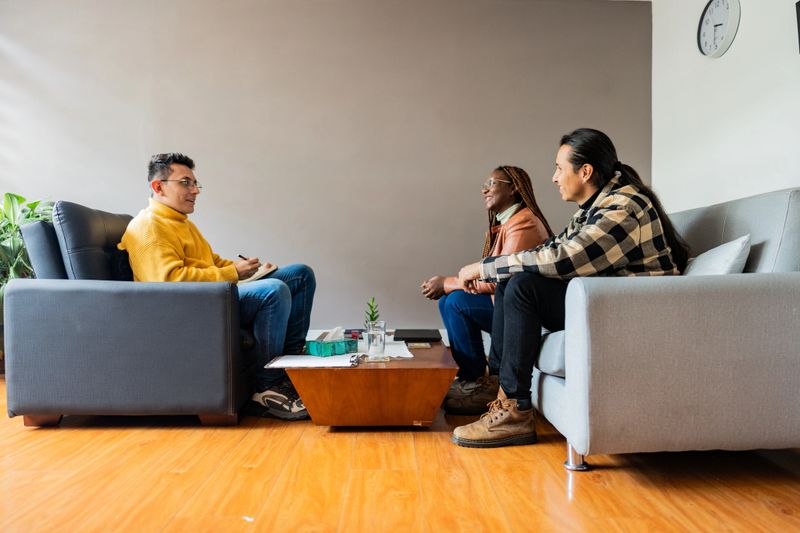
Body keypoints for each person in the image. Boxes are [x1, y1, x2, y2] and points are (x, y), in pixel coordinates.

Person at [452, 128, 689, 448]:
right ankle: (503, 393)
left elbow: (566, 258)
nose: (554, 177)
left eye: (559, 168)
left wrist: (484, 267)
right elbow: (550, 250)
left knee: (521, 285)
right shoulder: (594, 208)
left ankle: (515, 412)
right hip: (605, 300)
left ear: (585, 171)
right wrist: (496, 271)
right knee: (514, 280)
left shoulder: (624, 206)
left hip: (631, 310)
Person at [119, 153, 316, 421]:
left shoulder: (181, 223)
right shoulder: (149, 227)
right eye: (185, 182)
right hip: (190, 308)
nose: (195, 190)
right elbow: (168, 283)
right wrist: (232, 272)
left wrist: (250, 270)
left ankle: (291, 373)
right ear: (159, 186)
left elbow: (211, 262)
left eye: (196, 183)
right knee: (273, 291)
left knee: (300, 275)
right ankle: (266, 387)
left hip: (210, 297)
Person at [421, 166, 553, 414]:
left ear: (513, 187)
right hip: (504, 304)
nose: (484, 189)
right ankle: (472, 380)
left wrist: (448, 282)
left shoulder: (522, 222)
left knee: (455, 301)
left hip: (519, 310)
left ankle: (481, 383)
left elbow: (500, 279)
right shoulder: (506, 223)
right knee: (451, 300)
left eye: (492, 183)